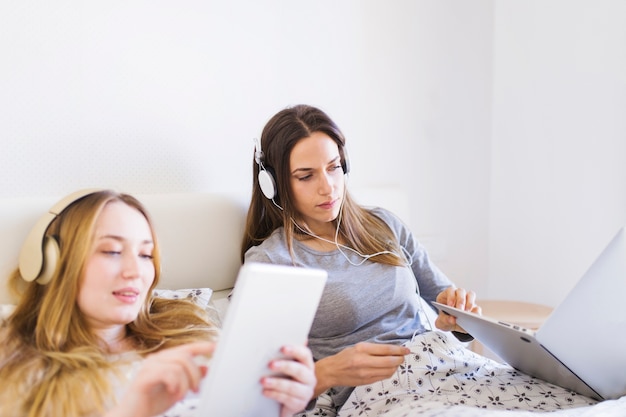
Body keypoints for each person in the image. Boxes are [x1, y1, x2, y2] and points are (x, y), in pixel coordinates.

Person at [240, 105, 597, 416]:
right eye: (306, 176)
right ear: (273, 185)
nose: (328, 187)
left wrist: (459, 313)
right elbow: (259, 389)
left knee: (585, 400)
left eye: (334, 168)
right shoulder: (273, 261)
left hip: (450, 365)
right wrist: (328, 372)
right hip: (379, 394)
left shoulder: (383, 225)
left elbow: (450, 308)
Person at [0, 189, 316, 417]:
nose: (135, 272)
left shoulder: (188, 329)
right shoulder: (19, 363)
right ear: (54, 262)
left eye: (145, 255)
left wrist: (275, 407)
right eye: (111, 251)